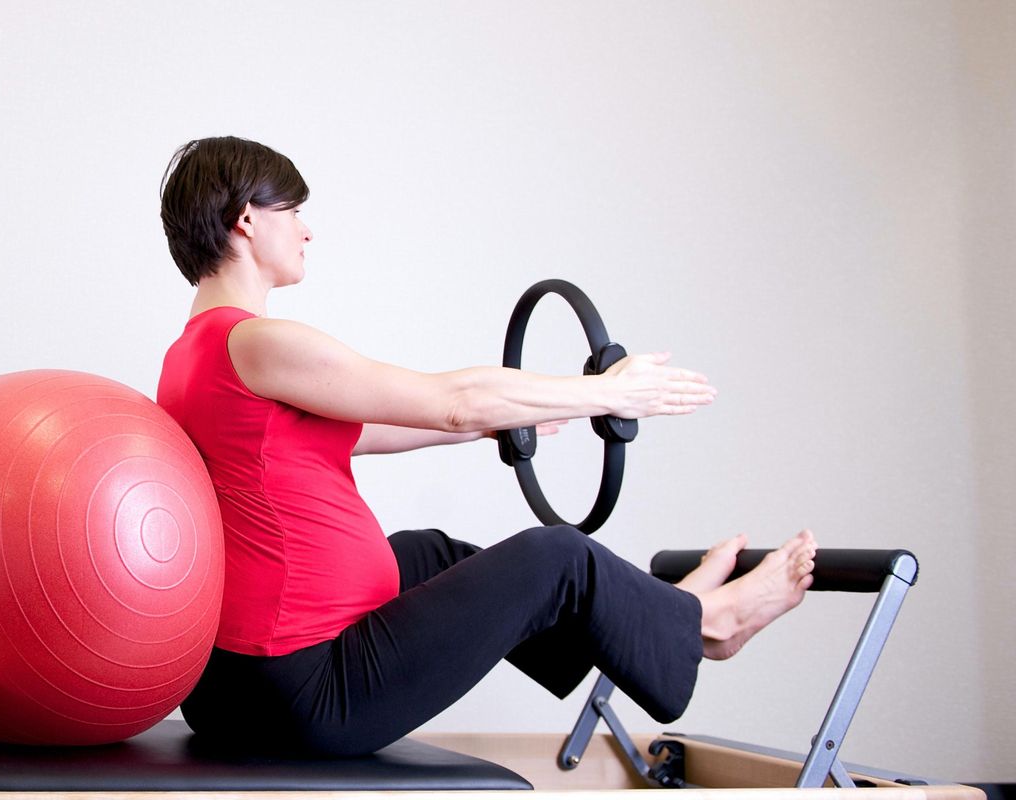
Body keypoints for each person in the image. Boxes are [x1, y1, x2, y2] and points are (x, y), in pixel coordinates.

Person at [156, 136, 817, 757]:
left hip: (231, 688)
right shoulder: (260, 342)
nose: (306, 228)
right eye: (294, 210)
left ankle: (654, 617)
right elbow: (453, 397)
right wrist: (609, 394)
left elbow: (368, 427)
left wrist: (486, 427)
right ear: (247, 220)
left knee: (426, 553)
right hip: (301, 692)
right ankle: (708, 623)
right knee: (556, 556)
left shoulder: (195, 353)